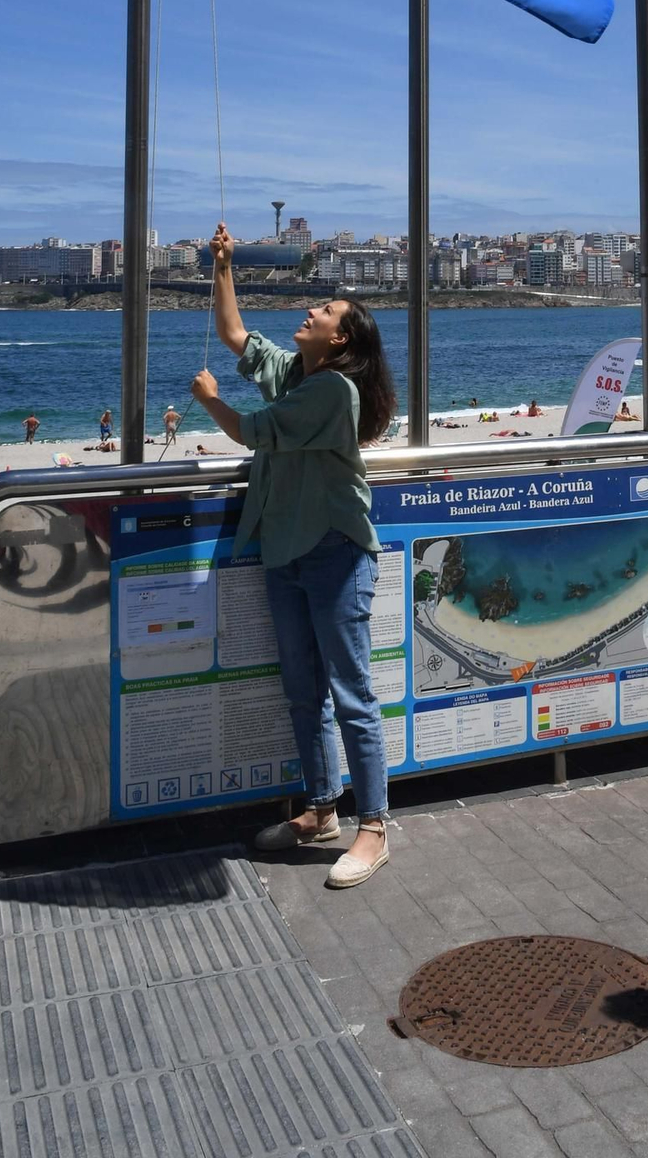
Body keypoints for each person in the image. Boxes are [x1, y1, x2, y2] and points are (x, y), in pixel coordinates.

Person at [191, 220, 396, 889]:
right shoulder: (295, 373)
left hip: (335, 552)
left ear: (341, 338)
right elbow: (234, 336)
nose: (311, 310)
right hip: (285, 548)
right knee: (303, 693)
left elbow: (255, 433)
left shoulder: (332, 390)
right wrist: (223, 265)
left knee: (352, 695)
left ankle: (373, 827)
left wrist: (211, 402)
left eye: (325, 311)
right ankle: (319, 810)